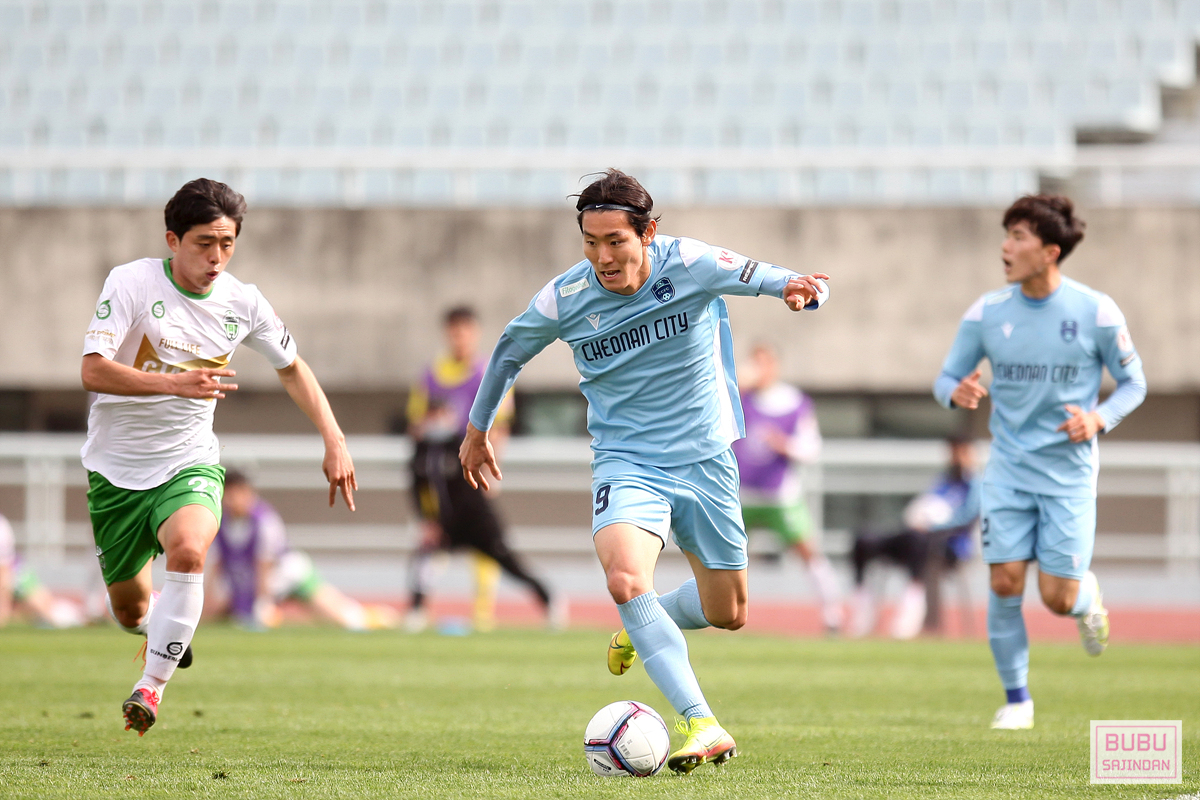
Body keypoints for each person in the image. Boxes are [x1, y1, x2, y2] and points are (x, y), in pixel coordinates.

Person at [460, 169, 830, 773]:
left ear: (648, 233)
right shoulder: (565, 297)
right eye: (590, 243)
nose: (603, 257)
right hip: (627, 462)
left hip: (707, 461)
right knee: (626, 580)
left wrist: (800, 291)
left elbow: (781, 278)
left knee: (728, 612)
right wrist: (477, 430)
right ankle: (702, 722)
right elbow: (507, 351)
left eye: (615, 241)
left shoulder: (690, 263)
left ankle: (639, 629)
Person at [80, 178, 357, 736]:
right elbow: (92, 370)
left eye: (227, 244)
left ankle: (150, 688)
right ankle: (161, 623)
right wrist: (173, 383)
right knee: (130, 612)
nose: (216, 257)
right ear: (173, 240)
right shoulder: (131, 283)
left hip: (190, 462)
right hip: (116, 473)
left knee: (188, 550)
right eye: (204, 243)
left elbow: (292, 368)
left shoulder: (242, 301)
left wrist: (334, 438)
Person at [933, 195, 1146, 730]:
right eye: (1006, 234)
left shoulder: (1096, 312)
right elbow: (945, 377)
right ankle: (1017, 701)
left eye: (1018, 236)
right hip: (1007, 471)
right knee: (1005, 583)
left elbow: (1134, 384)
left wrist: (1098, 419)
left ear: (1050, 251)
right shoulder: (986, 313)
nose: (1005, 247)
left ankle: (1086, 597)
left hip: (1068, 476)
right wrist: (953, 392)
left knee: (1056, 597)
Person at [406, 306, 564, 633]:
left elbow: (501, 427)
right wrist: (433, 428)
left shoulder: (489, 372)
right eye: (454, 332)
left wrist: (493, 469)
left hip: (474, 475)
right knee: (429, 544)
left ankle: (487, 612)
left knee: (493, 551)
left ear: (474, 334)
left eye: (465, 331)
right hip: (444, 478)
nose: (459, 338)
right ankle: (417, 609)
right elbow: (416, 424)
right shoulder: (431, 375)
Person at [733, 342, 842, 632]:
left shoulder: (794, 402)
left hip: (780, 496)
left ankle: (832, 614)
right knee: (722, 551)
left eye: (764, 362)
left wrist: (784, 445)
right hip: (743, 494)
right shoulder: (740, 398)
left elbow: (811, 449)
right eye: (754, 362)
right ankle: (718, 612)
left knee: (808, 552)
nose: (758, 369)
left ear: (775, 366)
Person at [208, 471, 397, 631]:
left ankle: (379, 617)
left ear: (247, 493)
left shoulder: (264, 521)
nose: (230, 501)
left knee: (341, 619)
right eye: (227, 495)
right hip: (251, 581)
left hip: (289, 575)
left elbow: (264, 565)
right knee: (227, 613)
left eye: (235, 494)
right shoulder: (221, 521)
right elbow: (218, 563)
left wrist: (262, 604)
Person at [848, 437, 980, 639]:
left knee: (917, 542)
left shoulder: (976, 486)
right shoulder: (942, 481)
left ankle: (909, 615)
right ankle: (861, 609)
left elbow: (966, 517)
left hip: (949, 546)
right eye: (953, 452)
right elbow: (924, 507)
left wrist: (932, 526)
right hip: (918, 537)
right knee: (864, 540)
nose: (956, 458)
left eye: (961, 452)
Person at [0, 512, 85, 629]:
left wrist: (3, 612)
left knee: (46, 611)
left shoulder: (1, 527)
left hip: (15, 575)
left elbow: (4, 572)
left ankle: (75, 618)